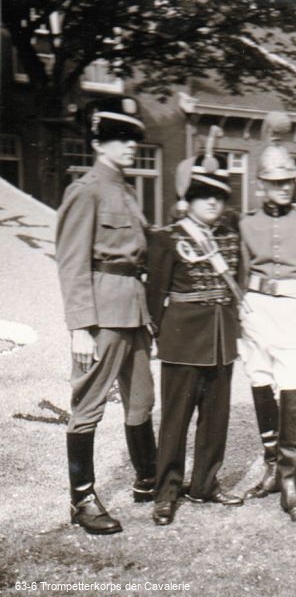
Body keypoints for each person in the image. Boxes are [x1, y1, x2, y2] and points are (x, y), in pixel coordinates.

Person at [55, 97, 156, 535]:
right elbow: (72, 261)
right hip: (102, 315)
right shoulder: (86, 190)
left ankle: (148, 479)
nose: (131, 145)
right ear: (98, 142)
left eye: (133, 137)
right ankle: (82, 499)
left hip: (135, 310)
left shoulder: (127, 192)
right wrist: (80, 326)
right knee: (89, 404)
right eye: (120, 137)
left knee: (142, 399)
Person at [146, 137, 244, 526]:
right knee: (175, 420)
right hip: (182, 341)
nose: (213, 203)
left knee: (216, 419)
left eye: (218, 196)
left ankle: (204, 484)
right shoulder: (167, 237)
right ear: (189, 199)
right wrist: (159, 338)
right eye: (204, 195)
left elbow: (237, 287)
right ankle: (166, 492)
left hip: (221, 341)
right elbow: (155, 295)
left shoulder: (231, 236)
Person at [239, 112, 296, 526]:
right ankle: (272, 468)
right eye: (275, 182)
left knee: (292, 388)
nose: (283, 188)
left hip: (294, 312)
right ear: (261, 184)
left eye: (288, 182)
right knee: (260, 383)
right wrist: (240, 318)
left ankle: (291, 482)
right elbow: (241, 275)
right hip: (256, 311)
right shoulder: (247, 223)